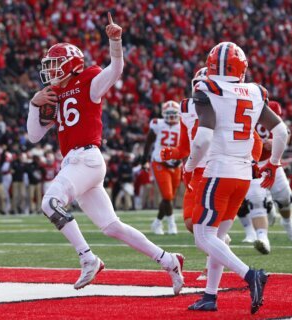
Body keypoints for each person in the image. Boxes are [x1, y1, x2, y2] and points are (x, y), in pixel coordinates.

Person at [26, 13, 184, 294]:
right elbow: (34, 135)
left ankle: (88, 258)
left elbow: (116, 69)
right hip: (76, 162)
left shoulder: (89, 81)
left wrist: (115, 42)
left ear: (71, 65)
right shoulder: (53, 93)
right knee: (113, 227)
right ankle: (169, 261)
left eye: (55, 65)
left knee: (50, 203)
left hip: (86, 158)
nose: (50, 72)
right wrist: (33, 105)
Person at [184, 42, 287, 314]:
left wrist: (188, 165)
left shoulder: (207, 88)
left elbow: (204, 137)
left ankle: (250, 275)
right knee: (217, 236)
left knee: (203, 236)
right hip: (243, 175)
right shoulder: (254, 91)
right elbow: (282, 132)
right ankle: (210, 296)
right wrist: (274, 164)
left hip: (219, 171)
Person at [161, 67, 264, 279]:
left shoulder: (226, 105)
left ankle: (215, 272)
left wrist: (252, 160)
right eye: (197, 83)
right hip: (195, 170)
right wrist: (172, 153)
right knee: (192, 224)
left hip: (217, 170)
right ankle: (224, 255)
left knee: (208, 230)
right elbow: (185, 146)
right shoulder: (185, 108)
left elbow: (256, 138)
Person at [240, 101, 292, 254]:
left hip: (271, 161)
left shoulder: (270, 109)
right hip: (250, 161)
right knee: (255, 200)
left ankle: (287, 221)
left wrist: (276, 142)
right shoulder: (238, 111)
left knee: (285, 197)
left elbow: (285, 132)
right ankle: (262, 238)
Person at [143, 100, 181, 235]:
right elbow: (148, 143)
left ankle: (157, 223)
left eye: (174, 114)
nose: (171, 116)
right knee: (167, 195)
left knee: (169, 198)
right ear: (163, 113)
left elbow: (187, 145)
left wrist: (182, 158)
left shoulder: (183, 125)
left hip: (176, 164)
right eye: (168, 114)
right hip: (159, 162)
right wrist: (144, 159)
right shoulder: (157, 124)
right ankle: (172, 224)